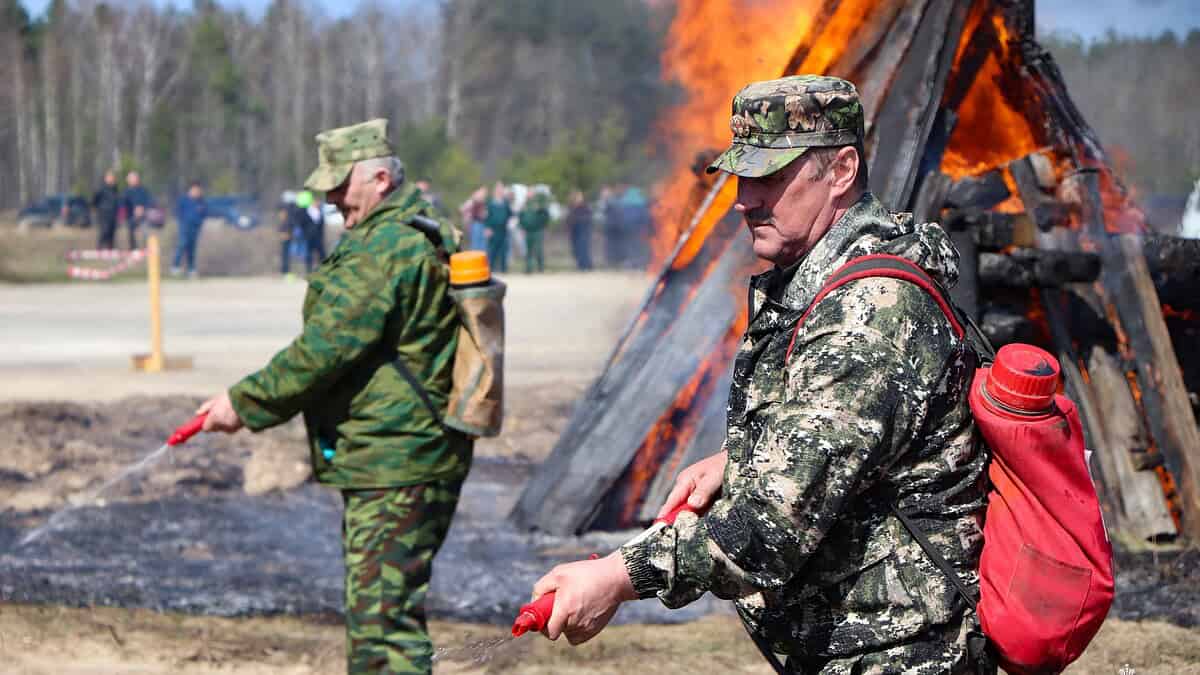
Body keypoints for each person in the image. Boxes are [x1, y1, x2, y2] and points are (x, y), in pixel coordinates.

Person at [529, 76, 990, 674]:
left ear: (842, 170)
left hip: (900, 654)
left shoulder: (870, 311)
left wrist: (617, 576)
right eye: (743, 177)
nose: (745, 199)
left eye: (770, 177)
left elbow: (773, 523)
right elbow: (837, 441)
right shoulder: (825, 283)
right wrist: (738, 461)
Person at [195, 119, 472, 674]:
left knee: (382, 635)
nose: (331, 197)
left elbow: (325, 349)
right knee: (384, 619)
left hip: (396, 458)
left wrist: (243, 403)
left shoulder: (385, 248)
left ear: (380, 180)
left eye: (342, 184)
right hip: (404, 453)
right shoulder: (417, 230)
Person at [172, 181, 207, 278]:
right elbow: (178, 212)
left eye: (198, 190)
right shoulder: (183, 200)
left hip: (195, 228)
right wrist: (182, 222)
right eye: (194, 190)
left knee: (192, 249)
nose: (196, 192)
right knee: (182, 244)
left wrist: (200, 222)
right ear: (190, 190)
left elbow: (204, 213)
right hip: (184, 226)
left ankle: (191, 269)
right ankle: (175, 266)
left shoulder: (201, 201)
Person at [519, 186, 551, 274]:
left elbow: (545, 215)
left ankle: (541, 268)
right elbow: (520, 217)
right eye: (528, 192)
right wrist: (522, 227)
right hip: (527, 231)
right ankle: (528, 269)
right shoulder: (524, 204)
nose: (530, 194)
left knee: (538, 250)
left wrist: (544, 226)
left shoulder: (539, 202)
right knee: (528, 251)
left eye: (531, 192)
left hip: (537, 230)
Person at [121, 170, 154, 250]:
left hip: (143, 216)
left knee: (146, 231)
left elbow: (150, 201)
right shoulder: (126, 192)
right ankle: (133, 249)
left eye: (134, 178)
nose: (133, 180)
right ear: (128, 180)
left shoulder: (143, 190)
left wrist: (142, 209)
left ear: (137, 179)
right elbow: (123, 204)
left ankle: (147, 249)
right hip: (131, 216)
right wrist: (132, 211)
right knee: (130, 230)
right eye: (131, 179)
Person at [484, 181, 511, 273]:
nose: (500, 191)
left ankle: (504, 270)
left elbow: (510, 215)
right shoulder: (490, 203)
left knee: (503, 251)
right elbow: (487, 217)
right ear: (495, 190)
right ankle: (490, 270)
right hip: (493, 231)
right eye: (498, 189)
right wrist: (487, 228)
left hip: (503, 230)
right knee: (492, 251)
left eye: (501, 189)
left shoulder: (506, 203)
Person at [92, 170, 121, 250]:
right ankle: (99, 248)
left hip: (113, 213)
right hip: (103, 213)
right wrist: (96, 208)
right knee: (104, 231)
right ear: (105, 178)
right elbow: (94, 200)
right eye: (109, 177)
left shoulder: (115, 188)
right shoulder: (101, 188)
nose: (111, 179)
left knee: (112, 232)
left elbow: (117, 200)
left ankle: (110, 249)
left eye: (112, 177)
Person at [298, 190, 326, 272]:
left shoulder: (320, 213)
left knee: (322, 255)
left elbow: (321, 226)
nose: (318, 203)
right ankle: (309, 271)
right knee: (308, 255)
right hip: (308, 237)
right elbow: (302, 223)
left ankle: (324, 270)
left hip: (318, 237)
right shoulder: (306, 211)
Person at [565, 190, 593, 271]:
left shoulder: (585, 207)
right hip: (574, 231)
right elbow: (568, 220)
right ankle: (581, 265)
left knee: (583, 249)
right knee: (576, 249)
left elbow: (588, 218)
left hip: (583, 230)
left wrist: (577, 220)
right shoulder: (571, 207)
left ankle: (586, 266)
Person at [459, 186, 488, 252]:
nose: (484, 194)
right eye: (482, 192)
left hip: (483, 224)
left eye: (485, 193)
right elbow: (462, 209)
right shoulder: (472, 201)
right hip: (475, 223)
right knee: (476, 243)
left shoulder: (484, 202)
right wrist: (467, 216)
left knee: (483, 243)